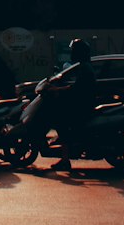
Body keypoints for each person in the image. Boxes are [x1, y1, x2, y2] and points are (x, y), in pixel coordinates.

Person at [24, 38, 96, 172]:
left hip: (82, 105)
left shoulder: (84, 68)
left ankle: (65, 159)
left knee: (61, 123)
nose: (72, 53)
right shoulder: (84, 66)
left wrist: (57, 90)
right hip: (83, 102)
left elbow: (77, 89)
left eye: (74, 50)